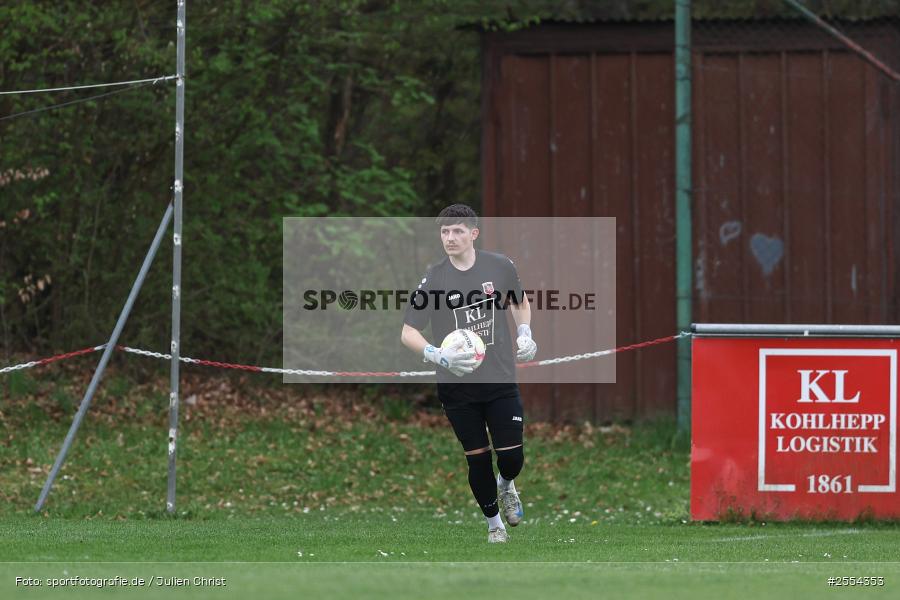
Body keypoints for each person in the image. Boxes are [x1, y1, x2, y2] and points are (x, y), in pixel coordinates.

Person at [401, 204, 537, 543]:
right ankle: (495, 526)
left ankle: (507, 485)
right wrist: (436, 354)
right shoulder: (434, 279)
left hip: (500, 378)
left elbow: (520, 302)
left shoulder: (500, 266)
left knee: (511, 458)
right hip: (457, 387)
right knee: (477, 460)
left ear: (473, 233)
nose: (450, 238)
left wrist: (525, 333)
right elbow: (408, 332)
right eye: (445, 232)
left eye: (457, 231)